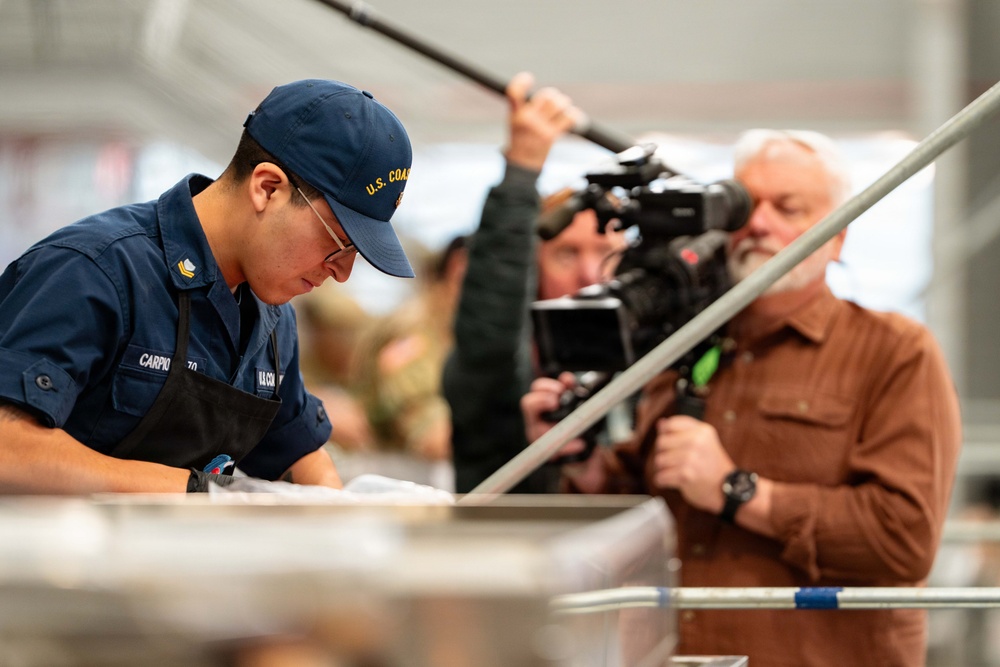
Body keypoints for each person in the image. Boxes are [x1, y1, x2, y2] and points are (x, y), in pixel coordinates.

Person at [522, 129, 963, 666]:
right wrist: (585, 463)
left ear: (839, 236)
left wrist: (739, 492)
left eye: (789, 207)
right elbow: (645, 509)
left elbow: (905, 540)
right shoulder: (686, 345)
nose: (758, 223)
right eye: (745, 206)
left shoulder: (895, 352)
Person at [0, 79, 415, 494]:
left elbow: (295, 452)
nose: (341, 274)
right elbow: (9, 447)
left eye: (354, 256)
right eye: (337, 242)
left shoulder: (271, 319)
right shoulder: (93, 272)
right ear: (267, 188)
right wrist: (196, 492)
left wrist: (333, 511)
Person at [444, 73, 629, 494]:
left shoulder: (647, 358)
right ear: (535, 267)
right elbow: (491, 313)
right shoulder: (500, 367)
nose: (588, 274)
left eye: (604, 252)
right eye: (567, 253)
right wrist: (522, 170)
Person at [352, 234, 468, 462]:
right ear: (457, 270)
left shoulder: (460, 329)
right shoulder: (415, 330)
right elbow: (428, 435)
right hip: (394, 471)